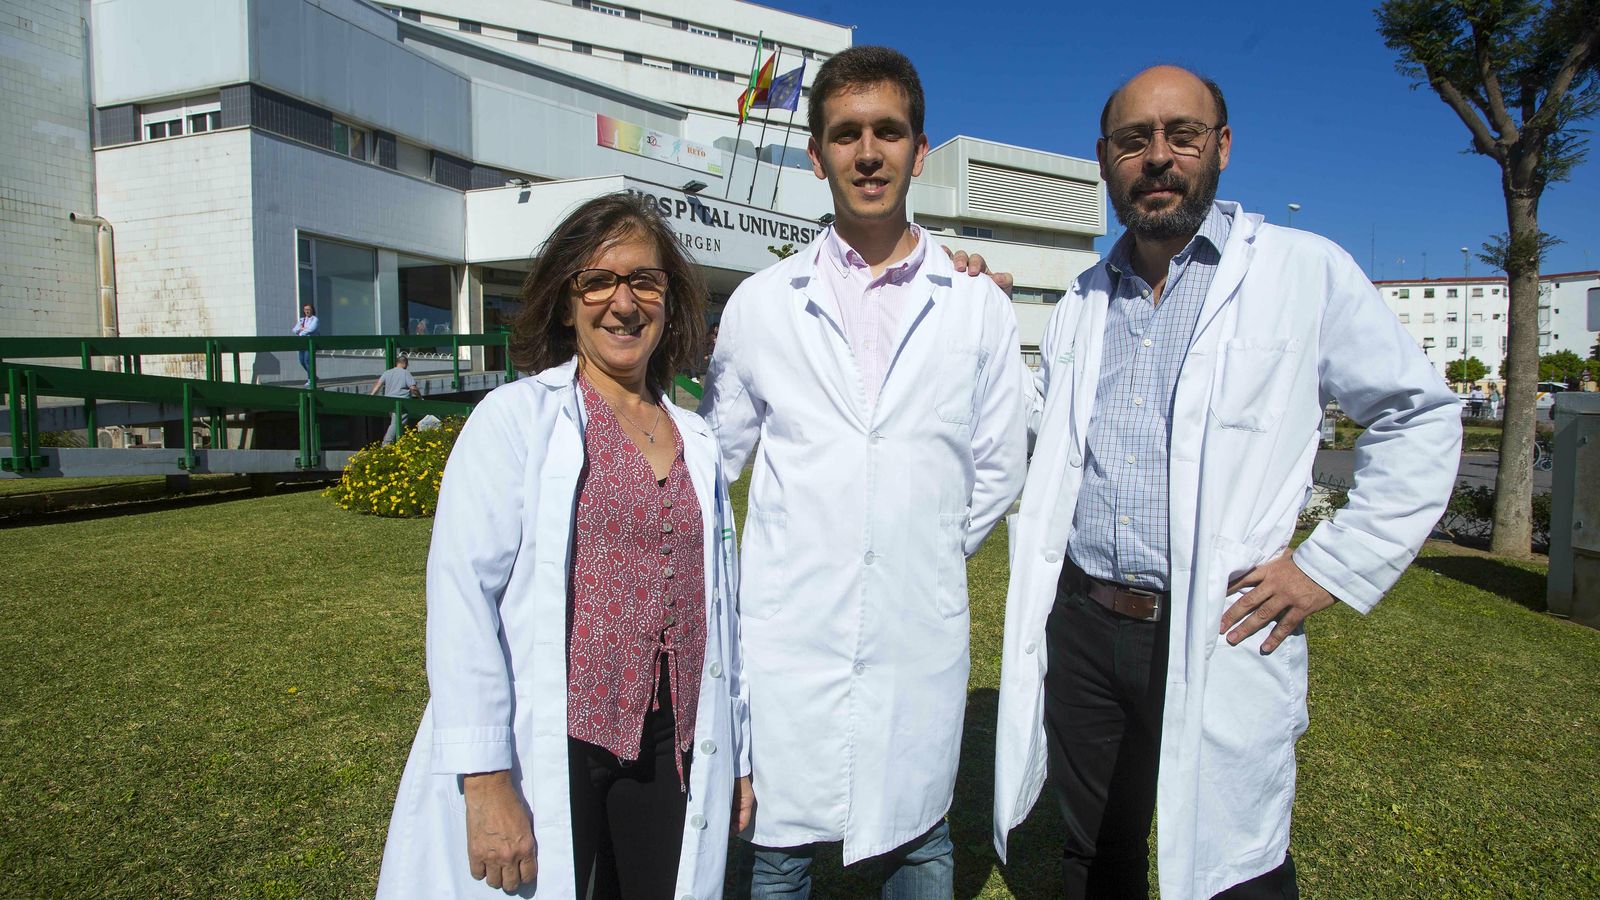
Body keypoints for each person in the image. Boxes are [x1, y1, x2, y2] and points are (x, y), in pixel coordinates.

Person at [992, 66, 1462, 899]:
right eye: (1135, 140)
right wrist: (980, 314)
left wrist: (1329, 566)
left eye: (1184, 135)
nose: (1159, 158)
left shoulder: (1301, 273)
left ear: (1223, 149)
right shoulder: (1082, 299)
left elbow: (1418, 417)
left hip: (1217, 621)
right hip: (1085, 624)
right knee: (1094, 850)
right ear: (1104, 159)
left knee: (1232, 862)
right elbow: (1047, 430)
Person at [701, 46, 1029, 898]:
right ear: (816, 156)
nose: (869, 152)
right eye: (846, 134)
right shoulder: (762, 305)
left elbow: (998, 463)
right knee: (776, 849)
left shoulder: (978, 306)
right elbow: (714, 463)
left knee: (918, 841)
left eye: (889, 131)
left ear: (921, 151)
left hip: (915, 632)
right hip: (788, 635)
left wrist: (908, 548)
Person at [377, 193, 753, 899]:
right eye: (598, 280)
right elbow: (463, 599)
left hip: (670, 746)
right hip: (555, 739)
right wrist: (487, 782)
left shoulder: (697, 440)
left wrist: (736, 754)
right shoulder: (517, 420)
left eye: (645, 280)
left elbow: (724, 615)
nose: (623, 301)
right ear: (565, 299)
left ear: (669, 303)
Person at [370, 355, 421, 445]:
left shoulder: (387, 372)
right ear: (405, 363)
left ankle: (397, 444)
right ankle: (386, 444)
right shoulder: (405, 373)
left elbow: (378, 384)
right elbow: (413, 388)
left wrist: (371, 397)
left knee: (396, 424)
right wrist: (420, 397)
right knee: (396, 424)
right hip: (401, 403)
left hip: (389, 402)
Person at [292, 303, 319, 386]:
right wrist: (301, 328)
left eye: (309, 309)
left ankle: (310, 379)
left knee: (307, 361)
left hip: (310, 342)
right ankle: (313, 376)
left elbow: (311, 329)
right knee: (302, 361)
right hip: (302, 343)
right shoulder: (302, 320)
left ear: (312, 310)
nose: (307, 311)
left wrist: (301, 332)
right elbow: (294, 329)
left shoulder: (315, 319)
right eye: (306, 309)